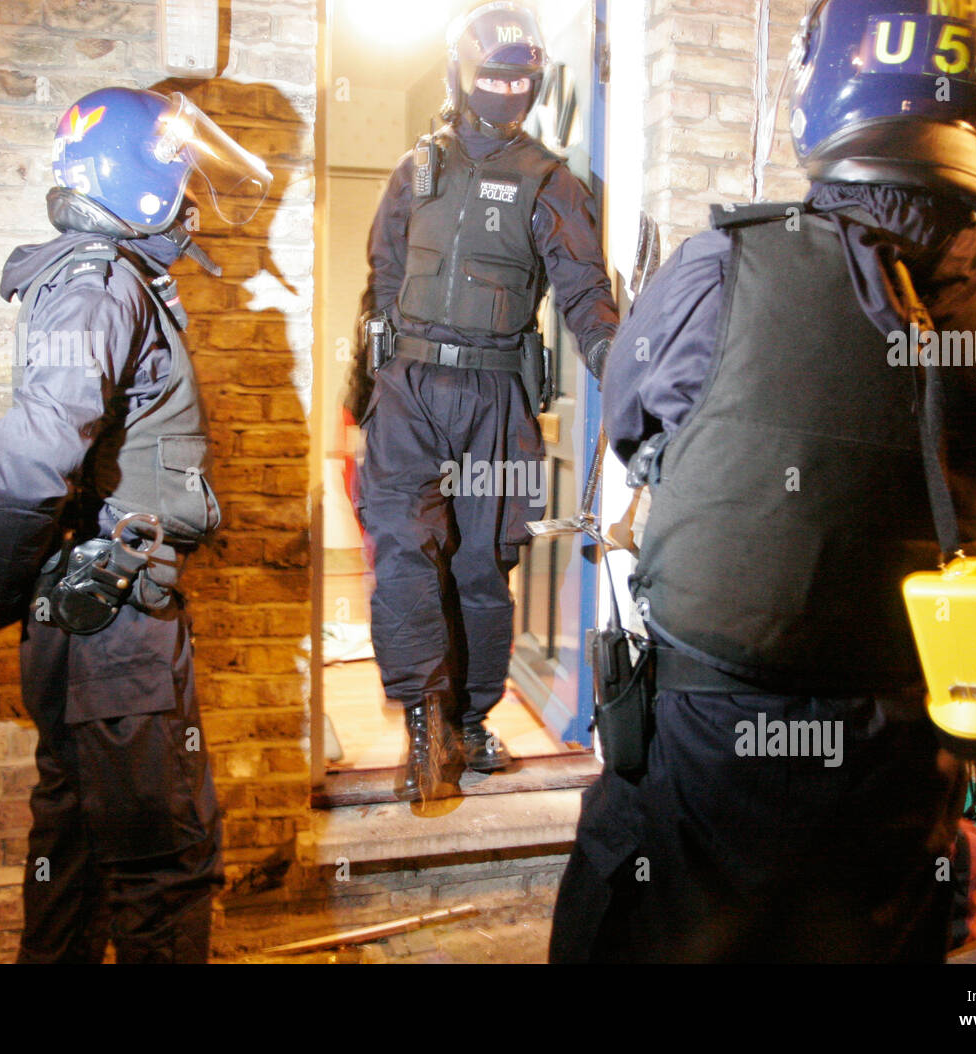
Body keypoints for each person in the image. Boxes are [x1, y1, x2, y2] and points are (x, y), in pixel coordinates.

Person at [549, 0, 976, 962]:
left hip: (710, 746)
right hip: (903, 745)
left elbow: (633, 426)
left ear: (829, 84)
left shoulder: (721, 267)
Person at [0, 87, 272, 963]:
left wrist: (9, 576)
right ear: (138, 181)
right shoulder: (102, 285)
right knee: (162, 865)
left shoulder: (91, 278)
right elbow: (29, 458)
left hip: (84, 611)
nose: (189, 196)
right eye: (179, 175)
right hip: (117, 629)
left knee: (72, 854)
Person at [347, 1, 619, 802]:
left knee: (478, 570)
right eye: (492, 74)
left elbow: (585, 295)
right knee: (403, 552)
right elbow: (381, 288)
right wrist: (359, 399)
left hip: (496, 401)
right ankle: (425, 724)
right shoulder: (414, 170)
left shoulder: (551, 181)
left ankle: (468, 721)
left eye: (521, 78)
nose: (506, 89)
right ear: (460, 75)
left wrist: (628, 368)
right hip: (408, 389)